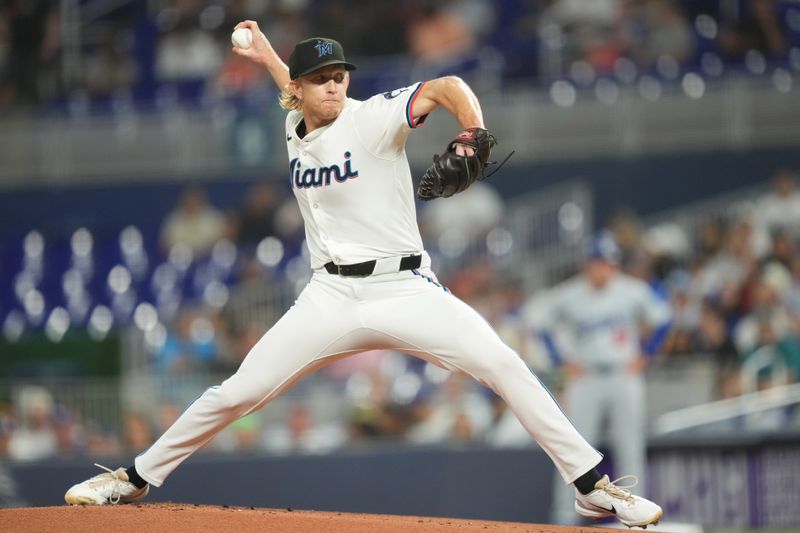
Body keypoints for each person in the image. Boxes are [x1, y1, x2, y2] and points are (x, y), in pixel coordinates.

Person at [64, 22, 663, 528]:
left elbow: (447, 85)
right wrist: (267, 54)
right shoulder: (295, 124)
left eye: (340, 75)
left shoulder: (374, 117)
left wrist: (472, 130)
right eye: (320, 78)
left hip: (404, 287)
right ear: (299, 88)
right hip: (330, 295)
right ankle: (135, 478)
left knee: (503, 364)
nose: (333, 85)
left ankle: (591, 483)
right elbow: (290, 92)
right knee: (238, 393)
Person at [524, 231, 671, 525]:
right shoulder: (570, 294)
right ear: (587, 265)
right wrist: (561, 362)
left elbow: (663, 320)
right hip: (587, 378)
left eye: (606, 262)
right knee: (572, 449)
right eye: (596, 262)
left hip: (623, 374)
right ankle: (564, 516)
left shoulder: (632, 290)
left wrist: (646, 354)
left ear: (614, 264)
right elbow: (540, 326)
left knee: (631, 444)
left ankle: (635, 516)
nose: (601, 268)